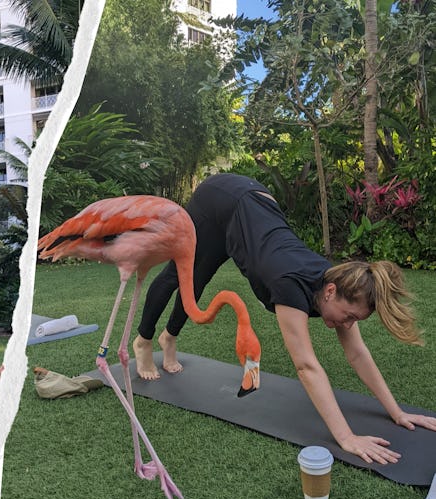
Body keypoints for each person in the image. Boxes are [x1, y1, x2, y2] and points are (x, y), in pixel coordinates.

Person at [132, 173, 436, 465]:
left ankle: (169, 338)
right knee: (183, 275)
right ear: (331, 291)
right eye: (348, 317)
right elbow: (306, 366)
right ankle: (144, 341)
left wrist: (397, 412)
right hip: (221, 198)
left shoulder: (340, 288)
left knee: (198, 280)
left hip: (255, 210)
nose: (347, 325)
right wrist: (347, 438)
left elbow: (357, 353)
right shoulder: (291, 285)